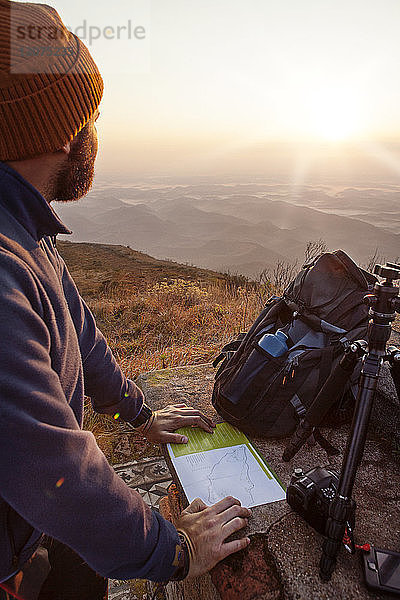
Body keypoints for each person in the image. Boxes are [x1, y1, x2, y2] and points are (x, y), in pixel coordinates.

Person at [0, 1, 251, 599]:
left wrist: (137, 412)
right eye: (89, 115)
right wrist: (174, 551)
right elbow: (48, 461)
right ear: (57, 130)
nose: (95, 134)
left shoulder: (20, 226)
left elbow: (76, 329)